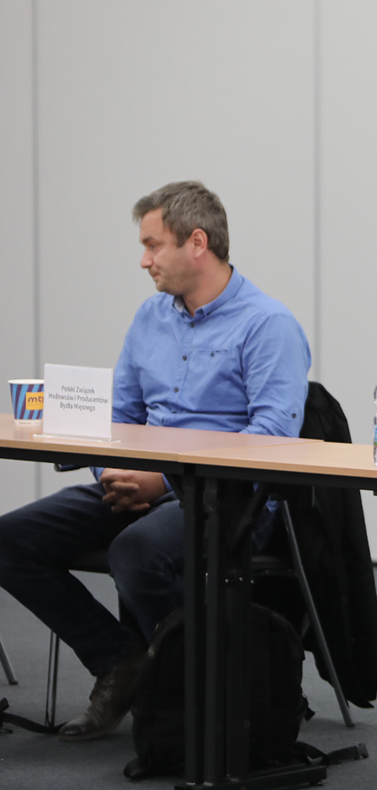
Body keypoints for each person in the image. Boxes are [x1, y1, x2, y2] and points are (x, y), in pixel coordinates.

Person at [0, 181, 311, 740]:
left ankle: (202, 692)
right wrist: (114, 475)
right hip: (141, 483)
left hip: (230, 497)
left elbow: (269, 439)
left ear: (198, 242)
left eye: (153, 245)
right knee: (10, 540)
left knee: (136, 550)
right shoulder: (150, 316)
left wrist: (161, 482)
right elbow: (118, 416)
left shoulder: (268, 325)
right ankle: (123, 661)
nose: (144, 261)